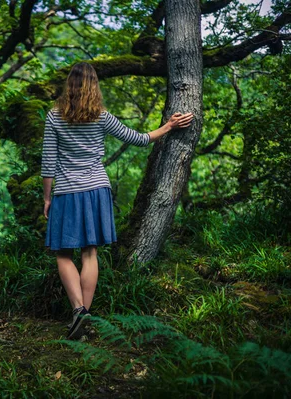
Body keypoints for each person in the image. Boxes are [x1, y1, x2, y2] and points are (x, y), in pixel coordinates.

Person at [41, 62, 193, 340]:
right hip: (97, 189)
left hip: (66, 191)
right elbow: (140, 138)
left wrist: (46, 198)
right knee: (90, 253)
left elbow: (49, 162)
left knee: (63, 254)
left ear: (69, 86)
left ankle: (78, 312)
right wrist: (169, 126)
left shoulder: (54, 117)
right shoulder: (101, 115)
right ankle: (83, 316)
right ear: (93, 86)